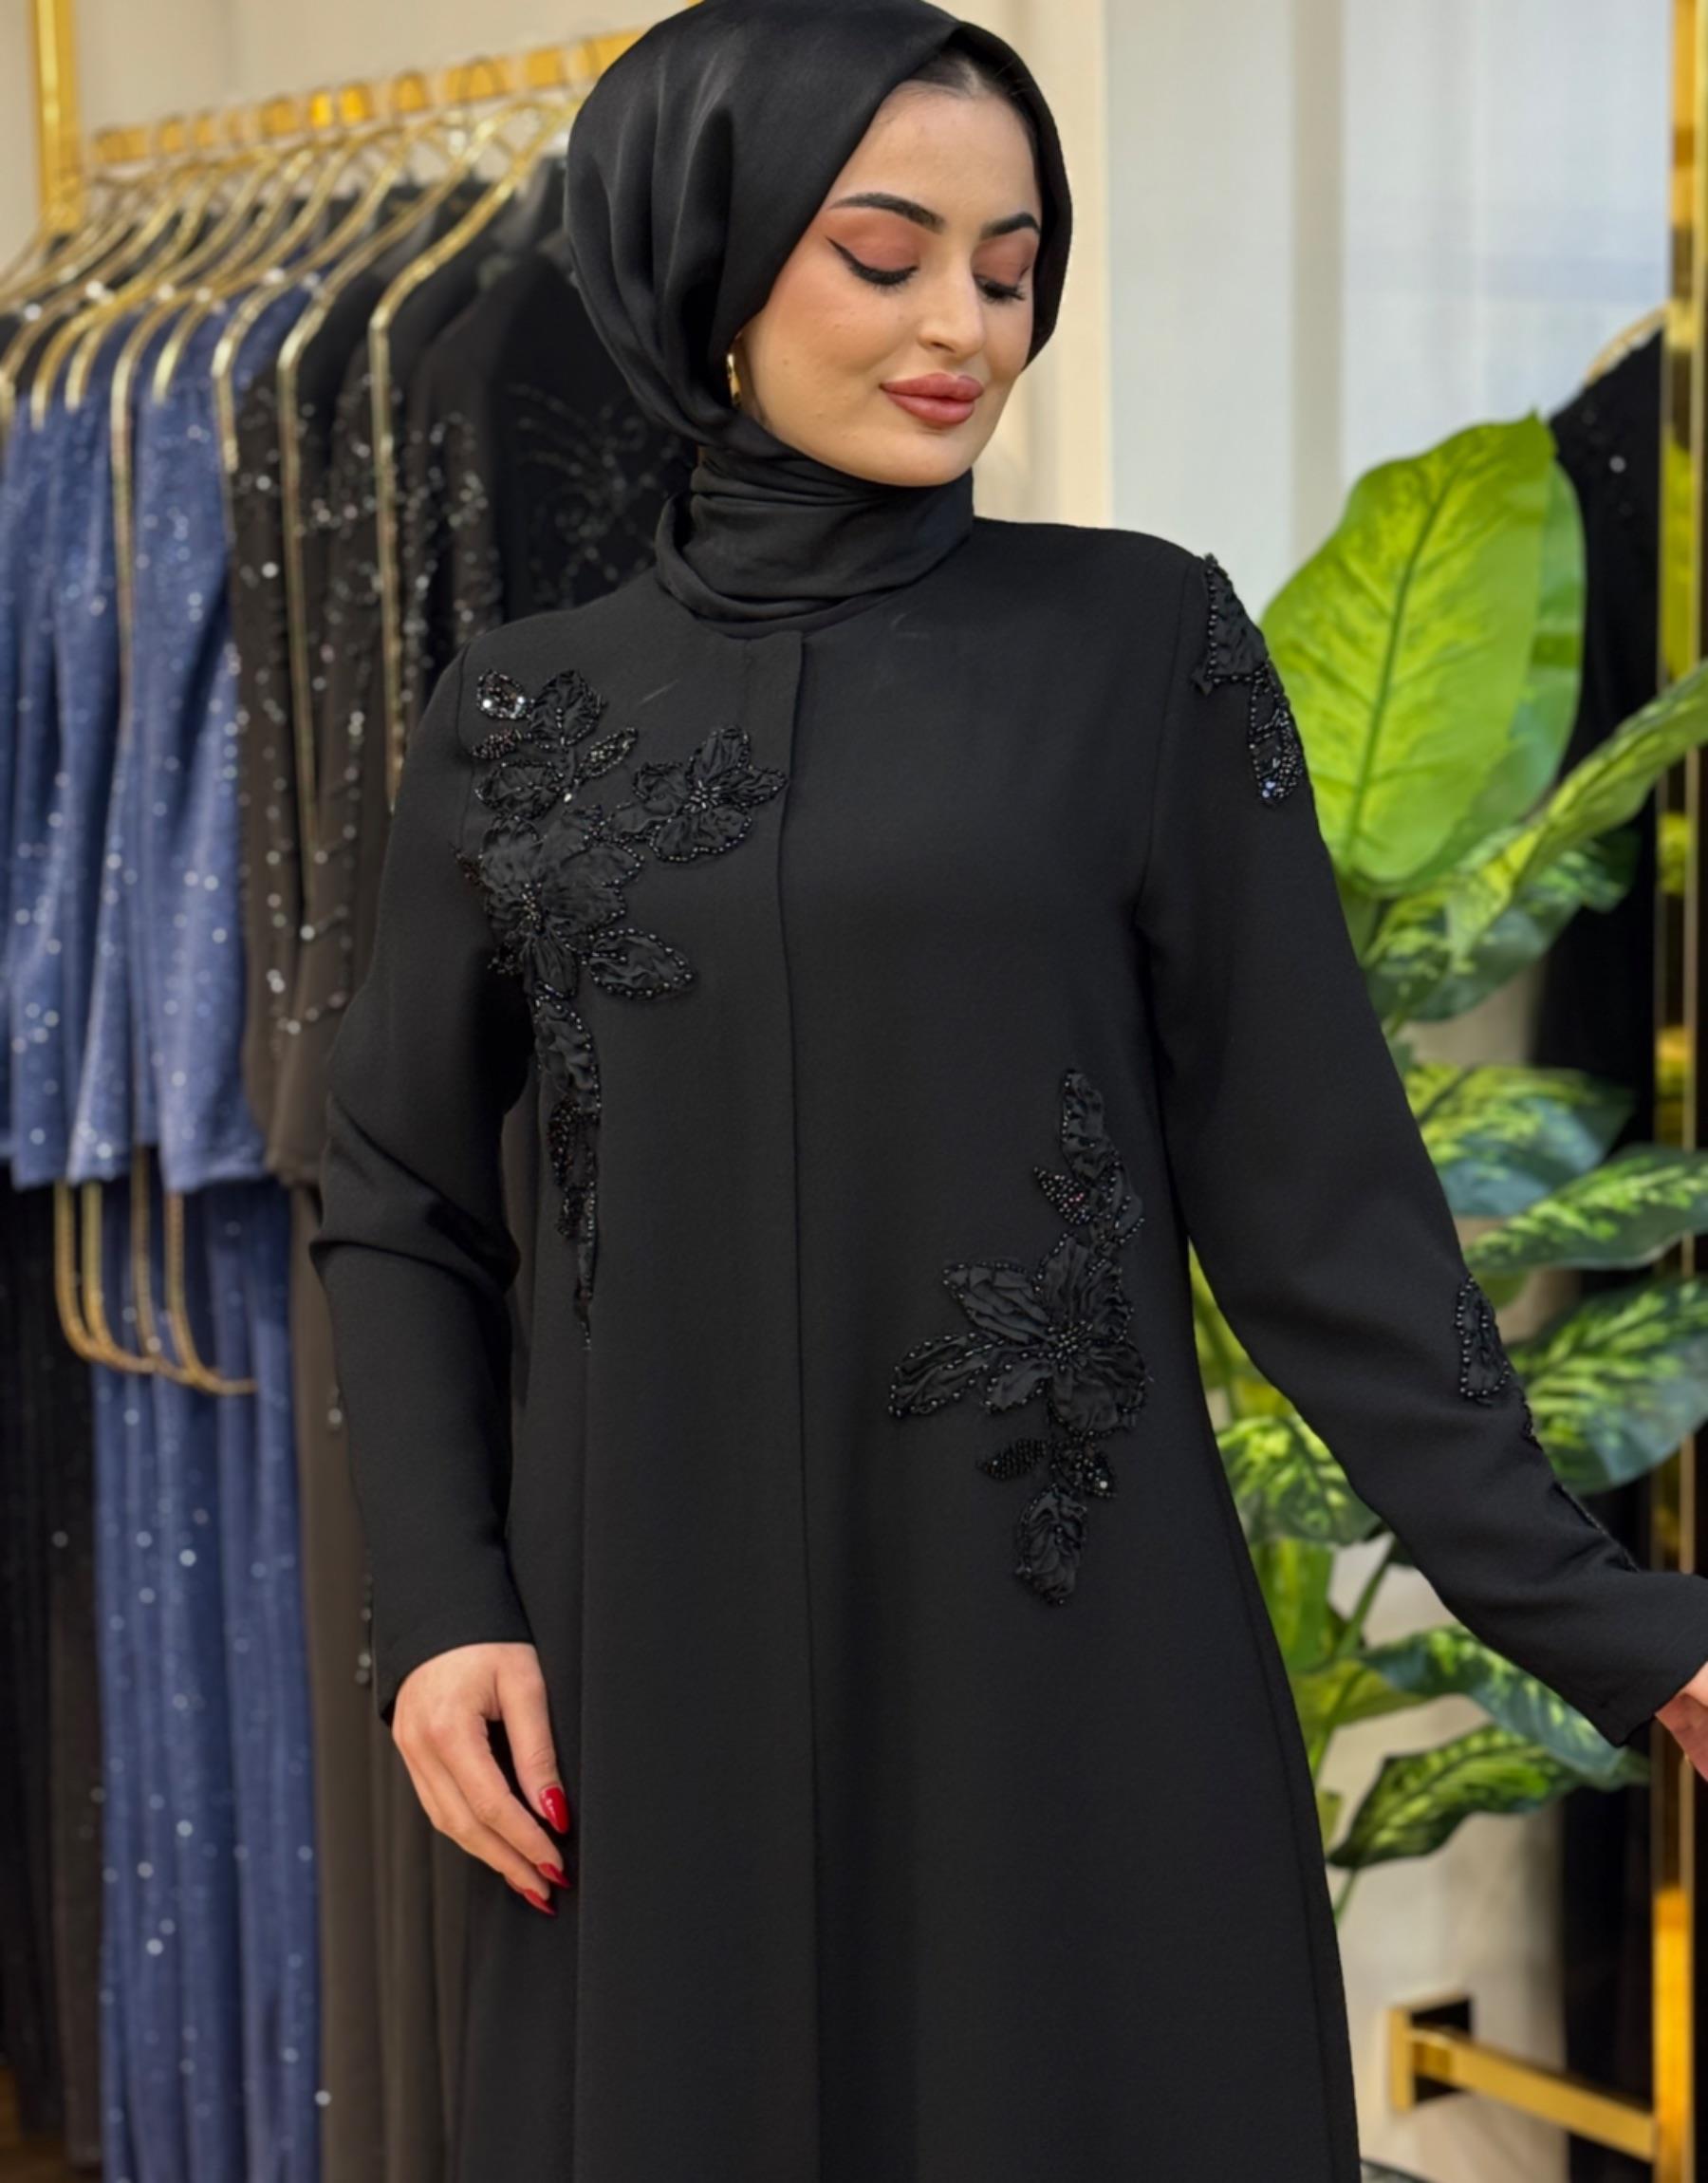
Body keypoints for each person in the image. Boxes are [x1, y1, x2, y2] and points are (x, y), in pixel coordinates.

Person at [308, 1, 1708, 2173]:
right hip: (653, 1674)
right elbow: (394, 1183)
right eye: (885, 256)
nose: (964, 325)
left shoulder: (1140, 652)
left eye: (1012, 263)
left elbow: (1320, 1206)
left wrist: (1615, 1622)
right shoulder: (521, 716)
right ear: (709, 254)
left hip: (1062, 1678)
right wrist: (445, 1605)